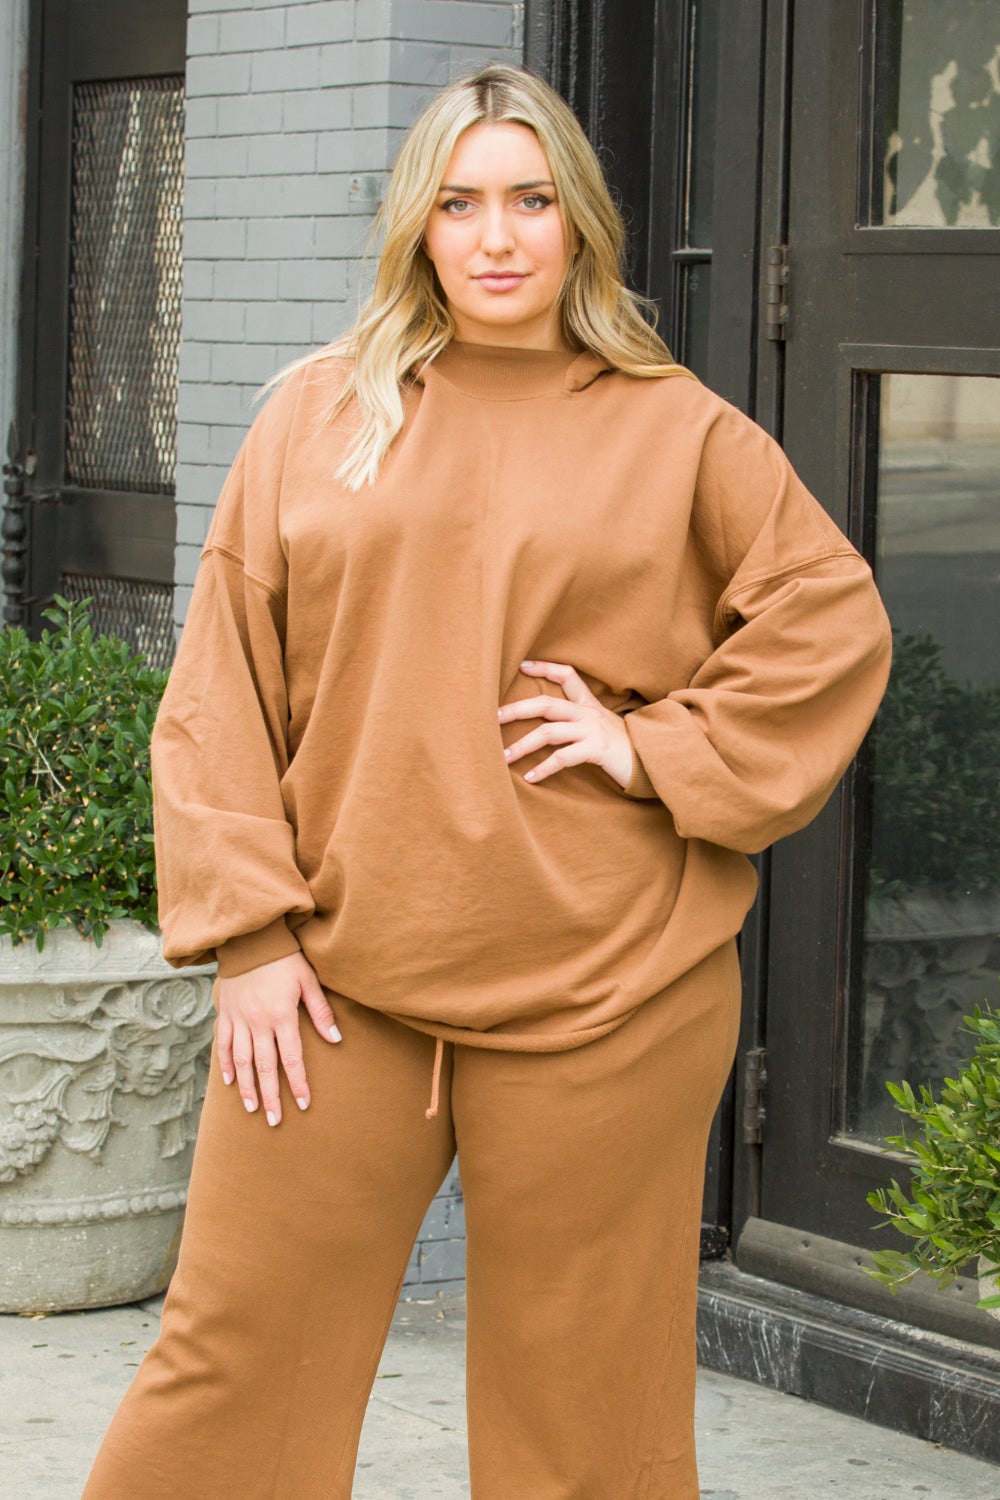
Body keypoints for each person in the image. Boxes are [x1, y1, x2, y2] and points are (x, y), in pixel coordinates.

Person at [82, 61, 891, 1500]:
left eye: (530, 200)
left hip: (613, 989)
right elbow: (218, 690)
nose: (497, 236)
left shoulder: (677, 429)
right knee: (233, 1370)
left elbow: (831, 623)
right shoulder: (317, 415)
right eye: (459, 204)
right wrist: (249, 937)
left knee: (586, 1422)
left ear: (579, 222)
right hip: (333, 985)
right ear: (418, 225)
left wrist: (654, 746)